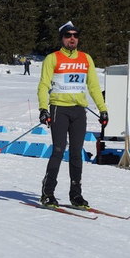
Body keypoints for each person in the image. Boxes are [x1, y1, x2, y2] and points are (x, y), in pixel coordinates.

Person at [37, 21, 108, 208]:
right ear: (62, 38)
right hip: (59, 109)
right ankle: (47, 193)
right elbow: (43, 85)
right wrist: (43, 109)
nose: (72, 38)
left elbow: (93, 87)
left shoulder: (86, 58)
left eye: (75, 35)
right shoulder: (53, 58)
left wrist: (103, 109)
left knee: (77, 153)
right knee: (58, 150)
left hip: (78, 111)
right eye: (68, 35)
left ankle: (76, 195)